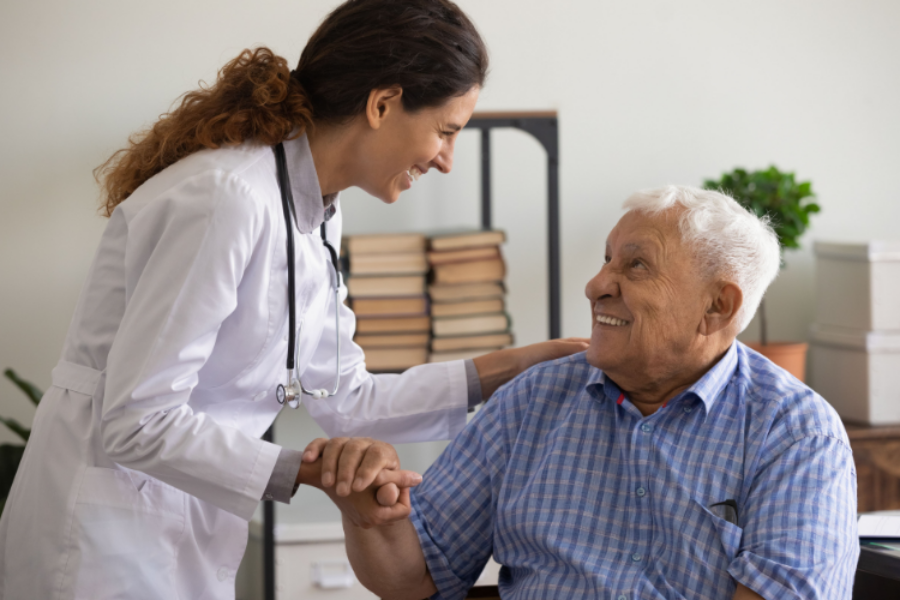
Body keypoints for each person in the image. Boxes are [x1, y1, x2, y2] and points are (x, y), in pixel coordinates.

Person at [0, 1, 587, 598]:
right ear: (382, 104)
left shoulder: (314, 213)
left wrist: (515, 367)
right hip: (104, 530)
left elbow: (345, 397)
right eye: (445, 130)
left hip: (179, 518)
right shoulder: (227, 198)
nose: (446, 159)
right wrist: (311, 471)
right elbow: (137, 421)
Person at [333, 185, 860, 600]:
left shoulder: (796, 434)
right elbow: (416, 578)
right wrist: (366, 509)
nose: (596, 284)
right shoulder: (533, 399)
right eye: (607, 260)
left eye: (635, 265)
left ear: (717, 308)